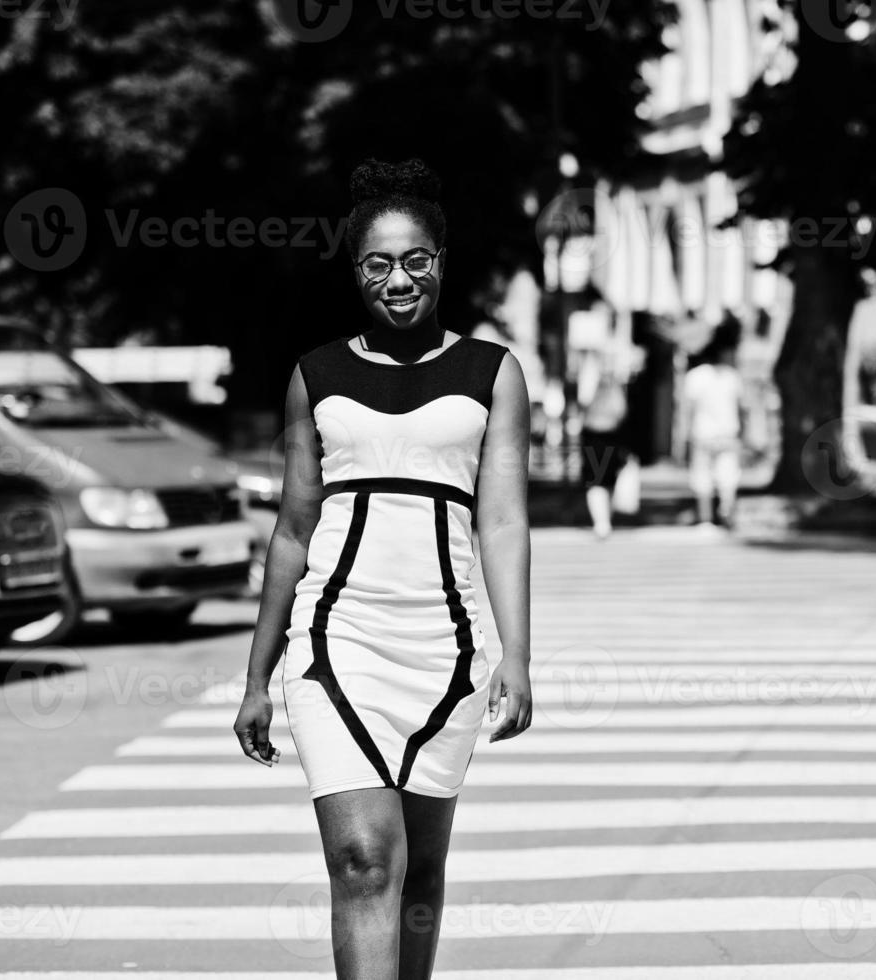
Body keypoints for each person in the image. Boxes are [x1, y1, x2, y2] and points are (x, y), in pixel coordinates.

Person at [232, 158, 533, 980]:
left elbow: (502, 521)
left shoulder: (491, 372)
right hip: (337, 644)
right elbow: (292, 530)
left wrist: (517, 656)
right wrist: (258, 677)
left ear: (440, 261)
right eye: (377, 262)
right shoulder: (315, 375)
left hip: (447, 652)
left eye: (414, 260)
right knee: (366, 860)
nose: (397, 279)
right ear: (355, 270)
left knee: (421, 875)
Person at [683, 329, 745, 529]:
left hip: (703, 434)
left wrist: (684, 434)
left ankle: (706, 517)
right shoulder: (732, 377)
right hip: (727, 433)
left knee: (703, 478)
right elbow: (742, 408)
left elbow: (688, 410)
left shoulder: (695, 377)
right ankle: (726, 513)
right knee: (727, 477)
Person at [577, 346, 632, 539]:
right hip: (610, 431)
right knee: (604, 477)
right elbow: (622, 408)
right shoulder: (614, 380)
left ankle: (602, 522)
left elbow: (584, 398)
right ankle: (604, 521)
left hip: (596, 431)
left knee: (597, 478)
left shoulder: (595, 376)